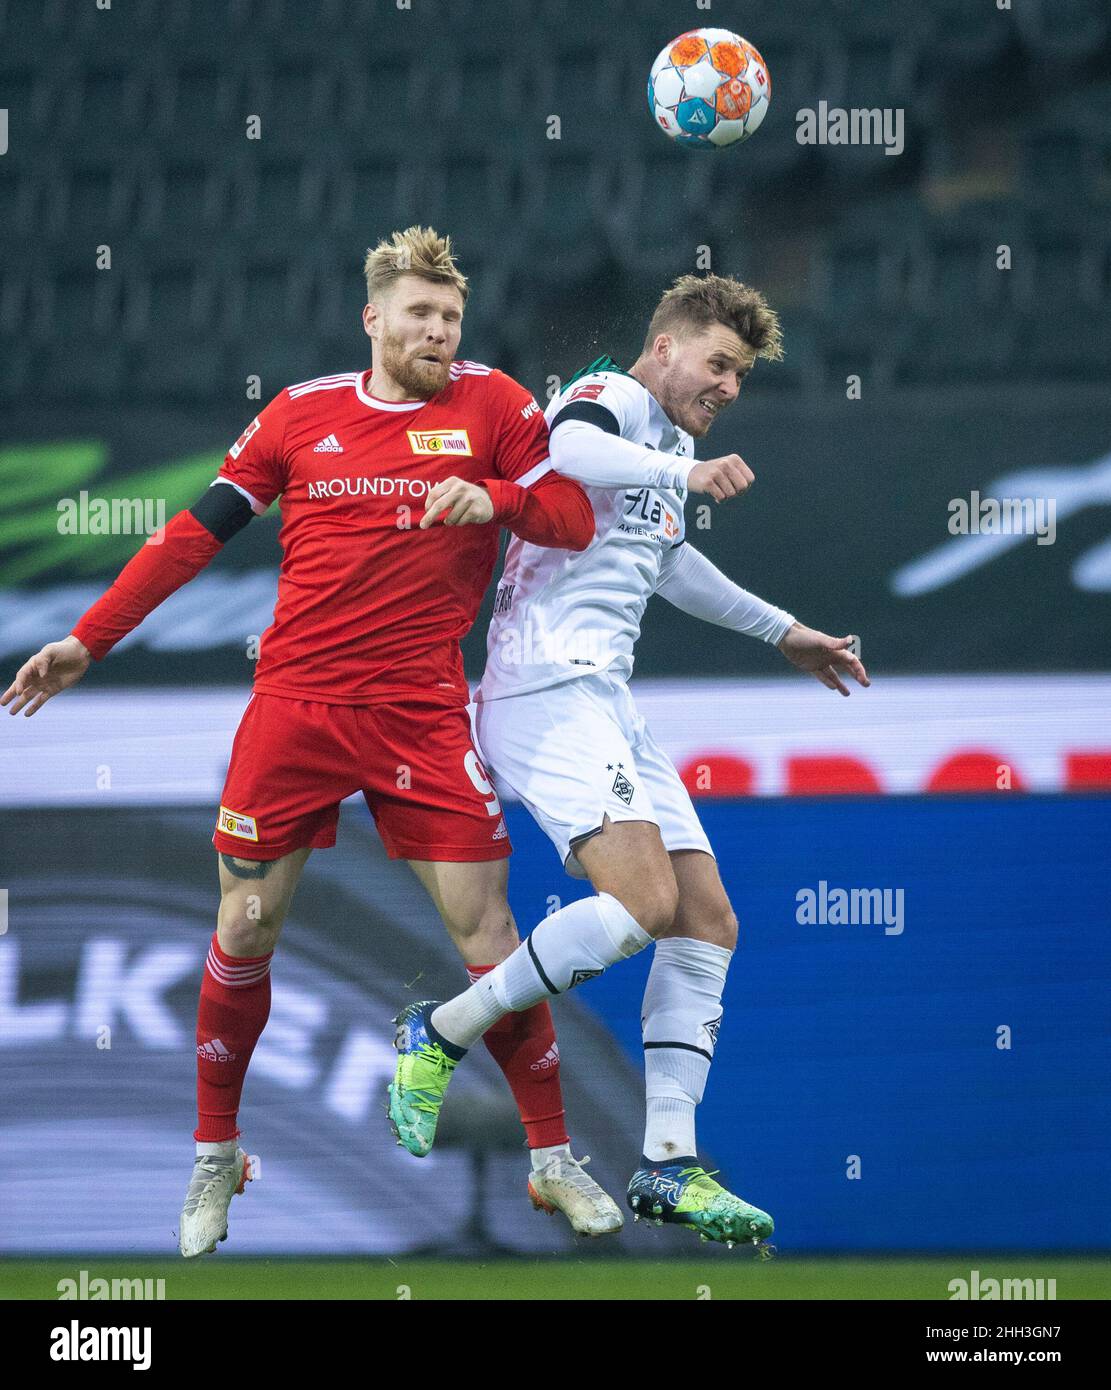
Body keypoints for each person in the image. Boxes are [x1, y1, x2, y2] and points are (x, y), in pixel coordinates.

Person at [2, 226, 625, 1255]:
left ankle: (553, 1160)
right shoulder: (301, 413)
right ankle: (214, 1155)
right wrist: (86, 640)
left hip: (421, 713)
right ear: (372, 318)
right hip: (294, 710)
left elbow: (571, 517)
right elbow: (191, 534)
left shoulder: (496, 405)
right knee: (244, 928)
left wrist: (498, 495)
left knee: (490, 942)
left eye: (451, 319)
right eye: (419, 315)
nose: (437, 332)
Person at [388, 273, 870, 1249]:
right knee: (645, 904)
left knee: (706, 920)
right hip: (540, 689)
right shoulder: (612, 398)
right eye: (720, 363)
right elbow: (566, 444)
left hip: (604, 700)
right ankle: (439, 1031)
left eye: (740, 375)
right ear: (666, 346)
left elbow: (671, 562)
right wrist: (680, 475)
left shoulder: (670, 447)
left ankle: (666, 1163)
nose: (729, 386)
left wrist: (785, 631)